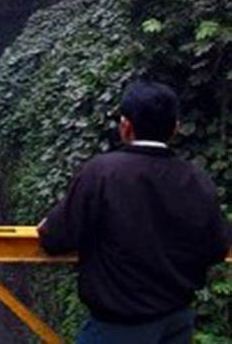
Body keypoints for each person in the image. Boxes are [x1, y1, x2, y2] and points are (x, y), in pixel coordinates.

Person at [37, 79, 230, 343]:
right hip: (176, 322)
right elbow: (217, 246)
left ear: (126, 125)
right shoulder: (196, 178)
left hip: (118, 326)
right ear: (175, 128)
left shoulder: (102, 172)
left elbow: (56, 237)